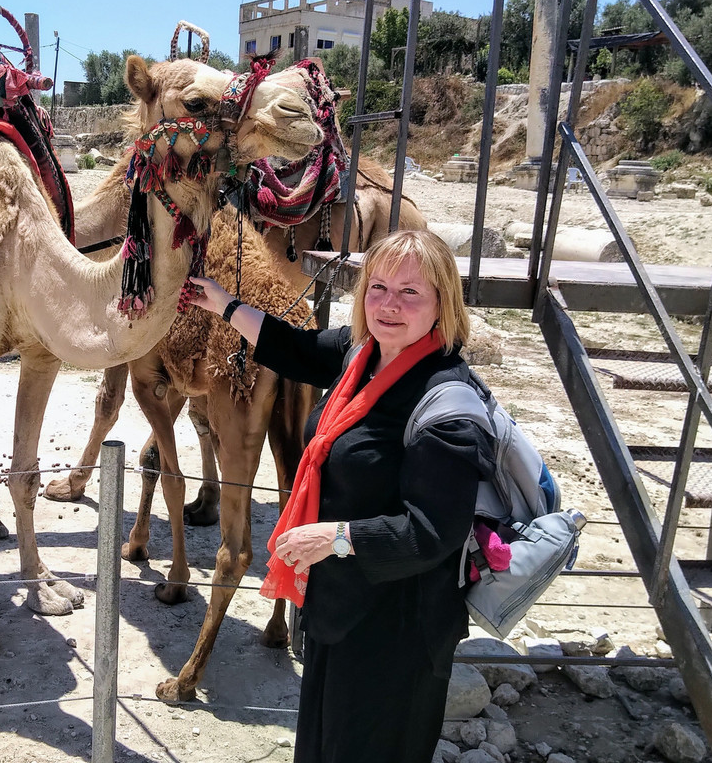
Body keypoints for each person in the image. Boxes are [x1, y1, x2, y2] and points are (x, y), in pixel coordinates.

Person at [188, 229, 494, 763]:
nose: (389, 305)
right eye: (377, 287)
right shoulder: (364, 357)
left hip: (399, 630)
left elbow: (433, 532)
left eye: (410, 293)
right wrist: (224, 303)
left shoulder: (445, 404)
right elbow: (296, 348)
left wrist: (339, 538)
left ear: (443, 303)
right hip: (341, 611)